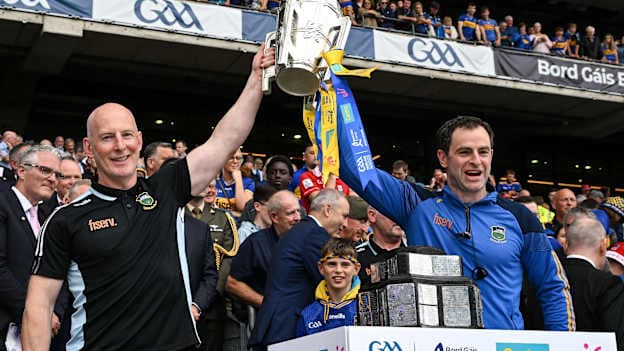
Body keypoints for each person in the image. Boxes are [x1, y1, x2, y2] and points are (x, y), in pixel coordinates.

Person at [22, 44, 275, 350]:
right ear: (88, 149)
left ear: (139, 140)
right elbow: (38, 309)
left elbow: (224, 140)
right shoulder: (66, 220)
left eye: (127, 135)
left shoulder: (166, 188)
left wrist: (256, 77)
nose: (120, 146)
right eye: (107, 138)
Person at [338, 115, 574, 331]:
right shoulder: (416, 205)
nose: (476, 161)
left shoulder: (521, 218)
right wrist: (332, 96)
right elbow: (354, 168)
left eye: (483, 152)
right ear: (443, 158)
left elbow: (552, 288)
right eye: (464, 152)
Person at [249, 189, 350, 350]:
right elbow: (332, 283)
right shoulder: (314, 234)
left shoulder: (300, 231)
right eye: (344, 216)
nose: (345, 224)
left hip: (277, 325)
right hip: (285, 329)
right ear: (328, 210)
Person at [0, 145, 67, 348]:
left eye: (57, 174)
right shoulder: (2, 204)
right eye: (45, 170)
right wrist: (36, 315)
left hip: (46, 331)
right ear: (21, 171)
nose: (53, 179)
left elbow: (60, 268)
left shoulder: (50, 215)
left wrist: (56, 312)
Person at [562, 216, 624, 347]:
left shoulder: (543, 280)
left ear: (566, 245)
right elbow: (615, 338)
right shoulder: (608, 284)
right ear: (602, 246)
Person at [296, 238, 361, 337]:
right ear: (321, 268)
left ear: (356, 269)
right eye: (332, 264)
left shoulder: (366, 309)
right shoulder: (308, 314)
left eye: (345, 265)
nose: (338, 270)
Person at [356, 206, 405, 289]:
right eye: (393, 212)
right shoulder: (355, 257)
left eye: (403, 213)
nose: (399, 218)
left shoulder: (417, 256)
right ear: (372, 215)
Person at [215, 148, 255, 218]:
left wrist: (238, 179)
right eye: (231, 158)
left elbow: (243, 207)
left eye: (238, 158)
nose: (235, 161)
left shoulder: (248, 182)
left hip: (237, 226)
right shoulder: (214, 181)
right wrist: (235, 213)